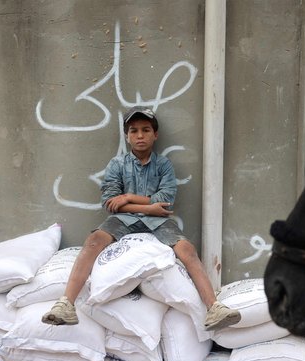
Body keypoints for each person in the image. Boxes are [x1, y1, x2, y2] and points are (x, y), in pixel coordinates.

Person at [42, 106, 240, 331]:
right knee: (94, 241)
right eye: (134, 131)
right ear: (127, 136)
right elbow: (109, 202)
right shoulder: (118, 164)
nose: (140, 135)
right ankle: (66, 303)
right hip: (123, 220)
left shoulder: (163, 165)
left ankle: (214, 307)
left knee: (186, 250)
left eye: (146, 130)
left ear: (155, 135)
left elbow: (165, 200)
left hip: (158, 221)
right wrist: (149, 207)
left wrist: (128, 198)